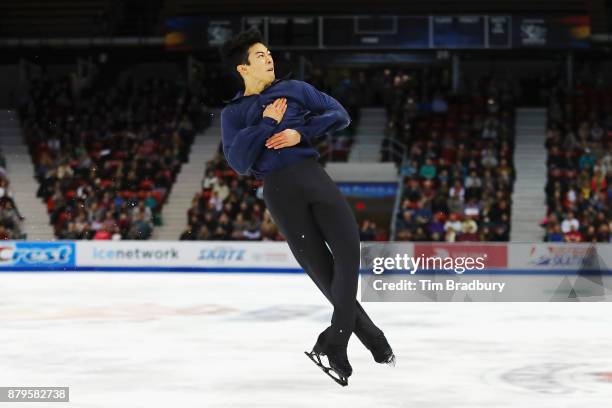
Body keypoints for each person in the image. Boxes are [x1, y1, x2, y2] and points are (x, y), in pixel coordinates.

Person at [220, 29, 394, 386]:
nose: (269, 58)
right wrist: (266, 123)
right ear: (243, 69)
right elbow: (238, 161)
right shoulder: (233, 113)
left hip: (311, 174)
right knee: (323, 272)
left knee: (349, 254)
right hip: (279, 191)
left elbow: (340, 114)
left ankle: (336, 340)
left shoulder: (295, 89)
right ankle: (364, 338)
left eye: (269, 52)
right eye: (259, 56)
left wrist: (303, 133)